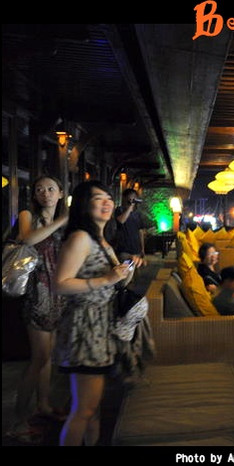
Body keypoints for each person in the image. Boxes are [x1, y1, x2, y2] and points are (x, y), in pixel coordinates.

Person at [54, 181, 139, 446]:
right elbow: (60, 284)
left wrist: (126, 271)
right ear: (83, 205)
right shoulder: (80, 238)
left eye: (109, 198)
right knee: (84, 410)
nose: (107, 202)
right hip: (84, 328)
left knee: (93, 409)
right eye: (98, 198)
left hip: (101, 327)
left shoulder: (102, 241)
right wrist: (105, 279)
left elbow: (111, 281)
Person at [5, 176, 69, 444]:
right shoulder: (27, 215)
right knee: (39, 357)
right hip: (36, 293)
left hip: (57, 293)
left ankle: (43, 405)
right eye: (40, 190)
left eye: (51, 189)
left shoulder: (64, 221)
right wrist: (62, 220)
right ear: (34, 195)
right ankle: (18, 421)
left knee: (48, 356)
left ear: (60, 193)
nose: (46, 193)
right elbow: (28, 239)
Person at [114, 188, 149, 268]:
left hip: (136, 249)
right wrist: (130, 207)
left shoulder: (137, 214)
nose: (133, 199)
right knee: (125, 271)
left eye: (134, 197)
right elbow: (121, 221)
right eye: (131, 197)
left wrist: (142, 248)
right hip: (124, 250)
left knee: (134, 271)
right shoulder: (119, 210)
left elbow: (140, 231)